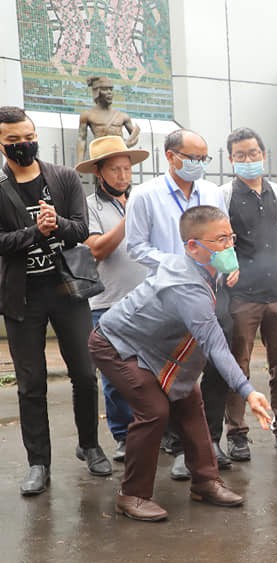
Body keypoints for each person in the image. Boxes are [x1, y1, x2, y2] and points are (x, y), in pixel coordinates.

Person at [88, 205, 272, 521]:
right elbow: (214, 344)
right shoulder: (187, 287)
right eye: (220, 240)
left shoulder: (203, 269)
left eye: (231, 237)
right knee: (154, 410)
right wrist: (248, 391)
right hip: (116, 344)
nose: (229, 246)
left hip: (155, 348)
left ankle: (205, 482)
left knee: (189, 399)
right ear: (192, 246)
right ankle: (131, 495)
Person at [0, 106, 111, 496]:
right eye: (13, 140)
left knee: (84, 372)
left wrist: (58, 225)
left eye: (27, 136)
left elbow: (81, 228)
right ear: (1, 143)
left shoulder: (63, 178)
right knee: (31, 384)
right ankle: (38, 463)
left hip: (68, 290)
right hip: (22, 297)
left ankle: (90, 444)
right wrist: (34, 231)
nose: (22, 145)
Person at [125, 128, 232, 476]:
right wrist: (177, 266)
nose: (199, 164)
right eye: (193, 158)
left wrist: (229, 263)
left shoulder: (213, 192)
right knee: (171, 372)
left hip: (208, 293)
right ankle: (177, 446)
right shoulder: (145, 195)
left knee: (214, 364)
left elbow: (223, 237)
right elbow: (136, 246)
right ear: (171, 156)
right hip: (167, 300)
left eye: (204, 158)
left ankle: (210, 439)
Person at [221, 127, 277, 458]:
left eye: (253, 153)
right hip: (243, 297)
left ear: (264, 155)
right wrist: (227, 267)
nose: (248, 160)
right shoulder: (224, 195)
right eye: (241, 155)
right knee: (237, 366)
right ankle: (237, 433)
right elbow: (219, 241)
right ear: (231, 159)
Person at [76, 135, 150, 463]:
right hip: (108, 301)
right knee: (115, 374)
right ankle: (123, 434)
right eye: (115, 170)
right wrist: (127, 219)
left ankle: (154, 427)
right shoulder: (89, 206)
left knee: (151, 367)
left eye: (126, 169)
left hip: (149, 300)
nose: (123, 175)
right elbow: (97, 249)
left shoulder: (142, 199)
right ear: (99, 172)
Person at [76, 76, 140, 161]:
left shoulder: (122, 116)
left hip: (120, 156)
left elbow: (135, 136)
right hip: (100, 157)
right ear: (97, 92)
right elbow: (82, 139)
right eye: (105, 89)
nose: (109, 92)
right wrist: (79, 163)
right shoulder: (87, 115)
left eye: (111, 89)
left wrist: (124, 144)